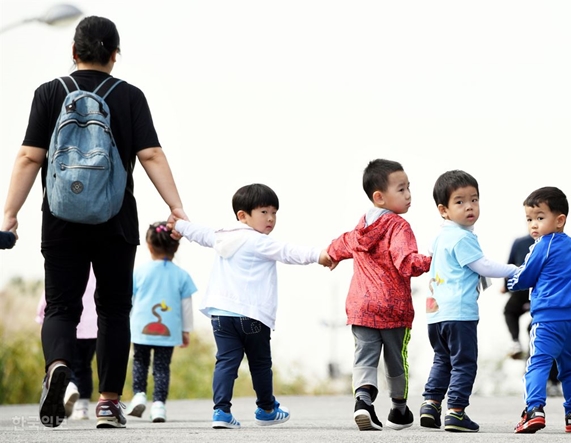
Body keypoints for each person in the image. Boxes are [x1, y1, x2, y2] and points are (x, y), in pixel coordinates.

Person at [1, 16, 187, 429]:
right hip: (116, 218)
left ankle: (58, 367)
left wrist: (10, 215)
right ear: (115, 55)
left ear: (74, 52)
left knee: (62, 307)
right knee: (114, 310)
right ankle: (107, 403)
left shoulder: (50, 93)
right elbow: (151, 154)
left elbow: (29, 157)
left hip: (61, 216)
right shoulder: (130, 97)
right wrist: (176, 207)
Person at [168, 183, 332, 429]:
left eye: (274, 213)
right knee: (260, 364)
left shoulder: (221, 236)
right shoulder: (259, 242)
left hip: (221, 315)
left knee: (225, 362)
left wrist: (178, 225)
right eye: (264, 212)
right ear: (242, 216)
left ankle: (221, 412)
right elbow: (288, 252)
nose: (271, 218)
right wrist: (319, 255)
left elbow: (198, 233)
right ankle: (266, 409)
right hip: (253, 316)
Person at [326, 158, 431, 432]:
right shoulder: (399, 226)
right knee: (396, 359)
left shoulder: (361, 227)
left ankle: (363, 402)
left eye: (409, 188)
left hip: (361, 308)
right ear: (379, 197)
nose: (408, 195)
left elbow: (343, 242)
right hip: (393, 309)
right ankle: (398, 409)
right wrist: (435, 260)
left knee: (364, 358)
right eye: (401, 189)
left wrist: (329, 254)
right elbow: (406, 262)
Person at [508, 186, 571, 434]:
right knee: (569, 368)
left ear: (559, 220)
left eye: (539, 217)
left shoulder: (541, 246)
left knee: (537, 364)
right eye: (529, 219)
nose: (533, 225)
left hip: (547, 320)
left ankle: (534, 410)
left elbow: (525, 277)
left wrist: (512, 280)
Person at [421, 169, 518, 433]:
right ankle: (456, 412)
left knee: (442, 359)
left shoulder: (439, 237)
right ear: (444, 210)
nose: (469, 207)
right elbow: (483, 266)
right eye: (460, 202)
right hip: (459, 312)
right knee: (464, 362)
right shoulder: (462, 238)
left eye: (474, 199)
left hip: (435, 313)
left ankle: (430, 405)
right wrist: (514, 270)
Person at [126, 221, 197, 423]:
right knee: (162, 367)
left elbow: (128, 300)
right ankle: (159, 406)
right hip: (168, 331)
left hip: (140, 327)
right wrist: (186, 331)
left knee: (140, 361)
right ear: (176, 246)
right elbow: (186, 307)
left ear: (149, 245)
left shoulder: (139, 272)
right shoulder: (182, 276)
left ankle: (139, 394)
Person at [500, 234, 561, 397]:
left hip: (527, 288)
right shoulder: (556, 243)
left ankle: (515, 342)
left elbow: (510, 264)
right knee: (545, 332)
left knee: (513, 313)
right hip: (544, 292)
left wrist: (506, 287)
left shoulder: (521, 242)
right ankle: (552, 382)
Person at [36, 266, 98, 420]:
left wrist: (41, 317)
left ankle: (70, 387)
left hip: (73, 328)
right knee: (85, 367)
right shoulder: (98, 271)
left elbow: (50, 296)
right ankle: (82, 408)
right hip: (94, 330)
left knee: (71, 365)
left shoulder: (68, 269)